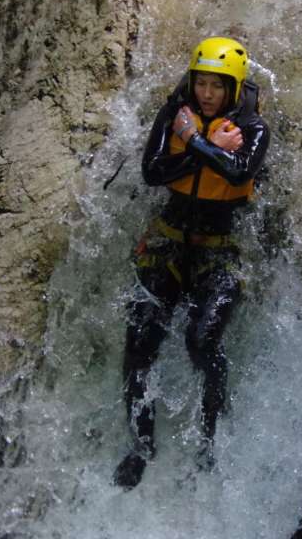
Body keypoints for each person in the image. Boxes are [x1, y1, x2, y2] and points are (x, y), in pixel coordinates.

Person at [113, 36, 270, 489]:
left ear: (233, 90)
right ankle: (141, 447)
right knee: (138, 344)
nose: (205, 94)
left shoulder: (253, 129)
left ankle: (209, 440)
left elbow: (239, 172)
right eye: (201, 83)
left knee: (202, 343)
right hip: (168, 239)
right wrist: (202, 148)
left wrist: (195, 143)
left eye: (216, 87)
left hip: (219, 246)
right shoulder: (174, 115)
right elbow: (152, 171)